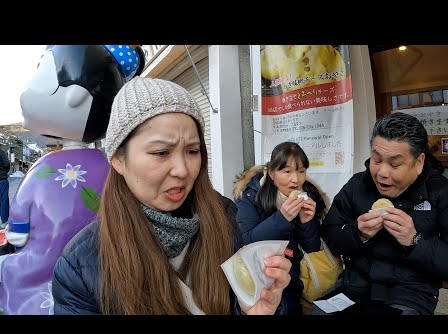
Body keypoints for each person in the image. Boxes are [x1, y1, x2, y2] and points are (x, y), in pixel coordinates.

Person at [52, 77, 291, 315]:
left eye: (192, 151)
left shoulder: (225, 217)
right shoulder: (80, 266)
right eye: (161, 152)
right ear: (118, 159)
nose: (183, 170)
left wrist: (257, 309)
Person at [0, 45, 144, 315]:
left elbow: (18, 234)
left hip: (41, 272)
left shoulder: (42, 169)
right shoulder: (112, 165)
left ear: (76, 97)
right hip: (104, 279)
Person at [317, 112, 448, 315]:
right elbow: (329, 234)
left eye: (394, 164)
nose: (382, 173)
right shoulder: (357, 185)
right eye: (376, 160)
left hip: (410, 295)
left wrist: (415, 240)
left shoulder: (446, 194)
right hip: (354, 287)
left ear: (419, 162)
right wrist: (358, 233)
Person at [233, 141, 329, 315]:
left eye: (301, 171)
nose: (296, 179)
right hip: (261, 284)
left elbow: (312, 248)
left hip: (293, 282)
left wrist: (307, 222)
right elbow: (245, 241)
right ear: (271, 173)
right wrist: (282, 218)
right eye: (287, 172)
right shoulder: (250, 196)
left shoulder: (308, 195)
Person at [0, 148, 9, 229]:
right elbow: (6, 164)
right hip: (1, 179)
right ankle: (4, 221)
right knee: (4, 200)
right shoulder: (1, 152)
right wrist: (4, 172)